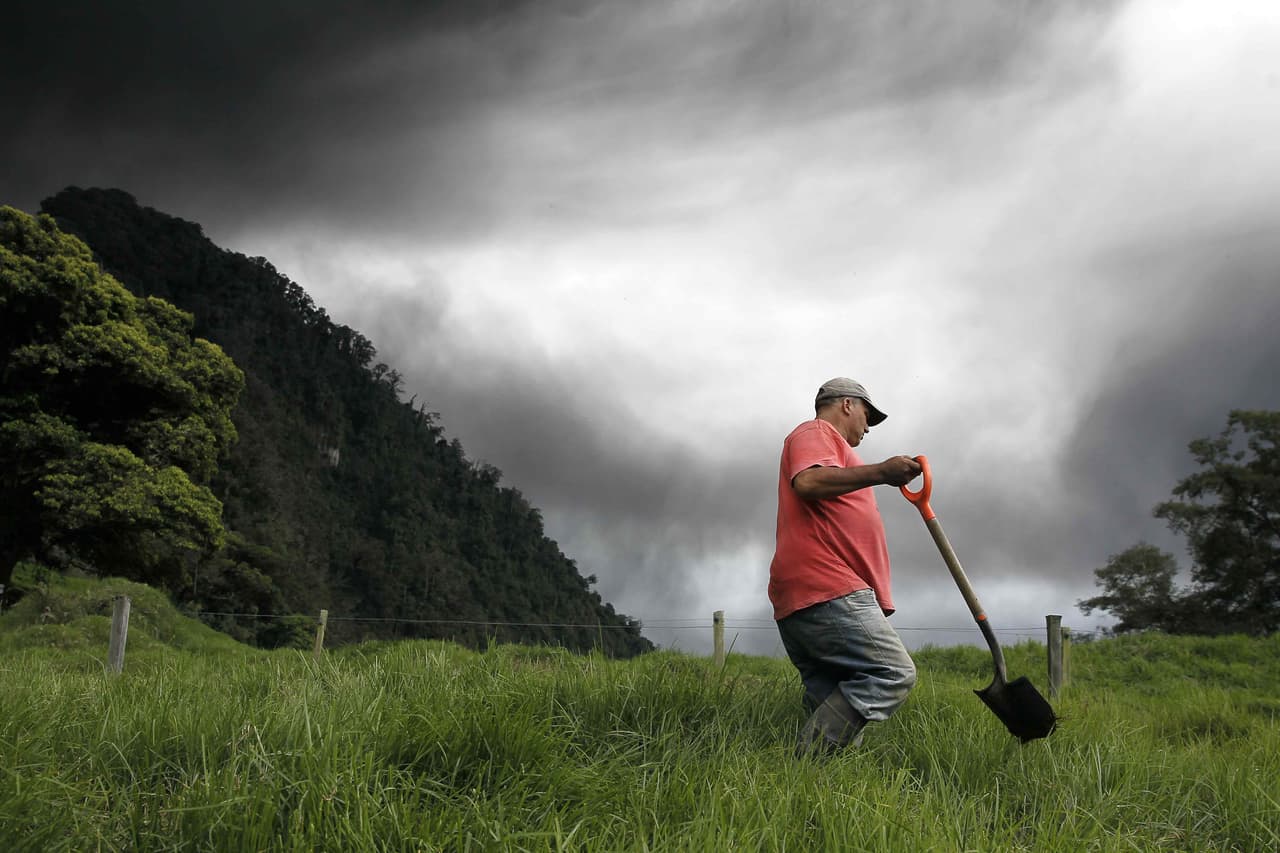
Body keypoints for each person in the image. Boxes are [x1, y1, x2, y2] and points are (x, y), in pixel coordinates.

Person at [769, 377, 922, 756]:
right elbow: (808, 481)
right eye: (868, 415)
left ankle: (807, 785)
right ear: (847, 405)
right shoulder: (816, 432)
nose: (868, 427)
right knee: (893, 673)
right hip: (827, 586)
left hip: (811, 593)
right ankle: (803, 763)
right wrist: (881, 472)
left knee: (832, 705)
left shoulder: (836, 452)